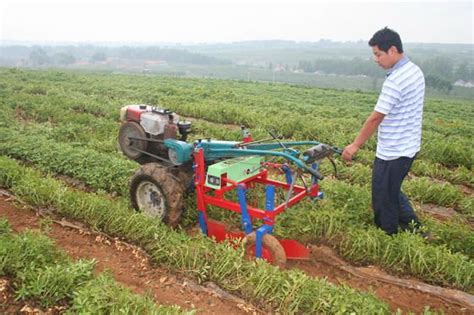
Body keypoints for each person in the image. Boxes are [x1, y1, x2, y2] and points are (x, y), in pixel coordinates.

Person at [342, 27, 426, 236]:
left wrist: (355, 145)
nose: (376, 59)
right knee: (391, 190)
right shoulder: (414, 71)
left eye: (378, 54)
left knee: (383, 196)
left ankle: (386, 235)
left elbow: (376, 117)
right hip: (409, 146)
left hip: (393, 151)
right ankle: (416, 229)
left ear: (393, 50)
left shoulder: (396, 80)